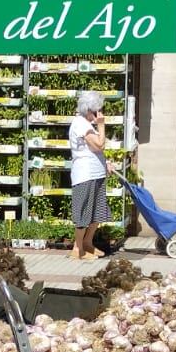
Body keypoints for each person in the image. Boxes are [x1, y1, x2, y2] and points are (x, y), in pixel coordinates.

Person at [68, 92, 110, 260]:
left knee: (97, 213)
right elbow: (99, 144)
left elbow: (94, 150)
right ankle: (77, 249)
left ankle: (88, 243)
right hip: (85, 175)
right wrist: (101, 125)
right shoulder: (80, 124)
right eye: (97, 111)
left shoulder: (86, 124)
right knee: (84, 212)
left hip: (96, 173)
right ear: (89, 110)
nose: (99, 114)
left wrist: (106, 163)